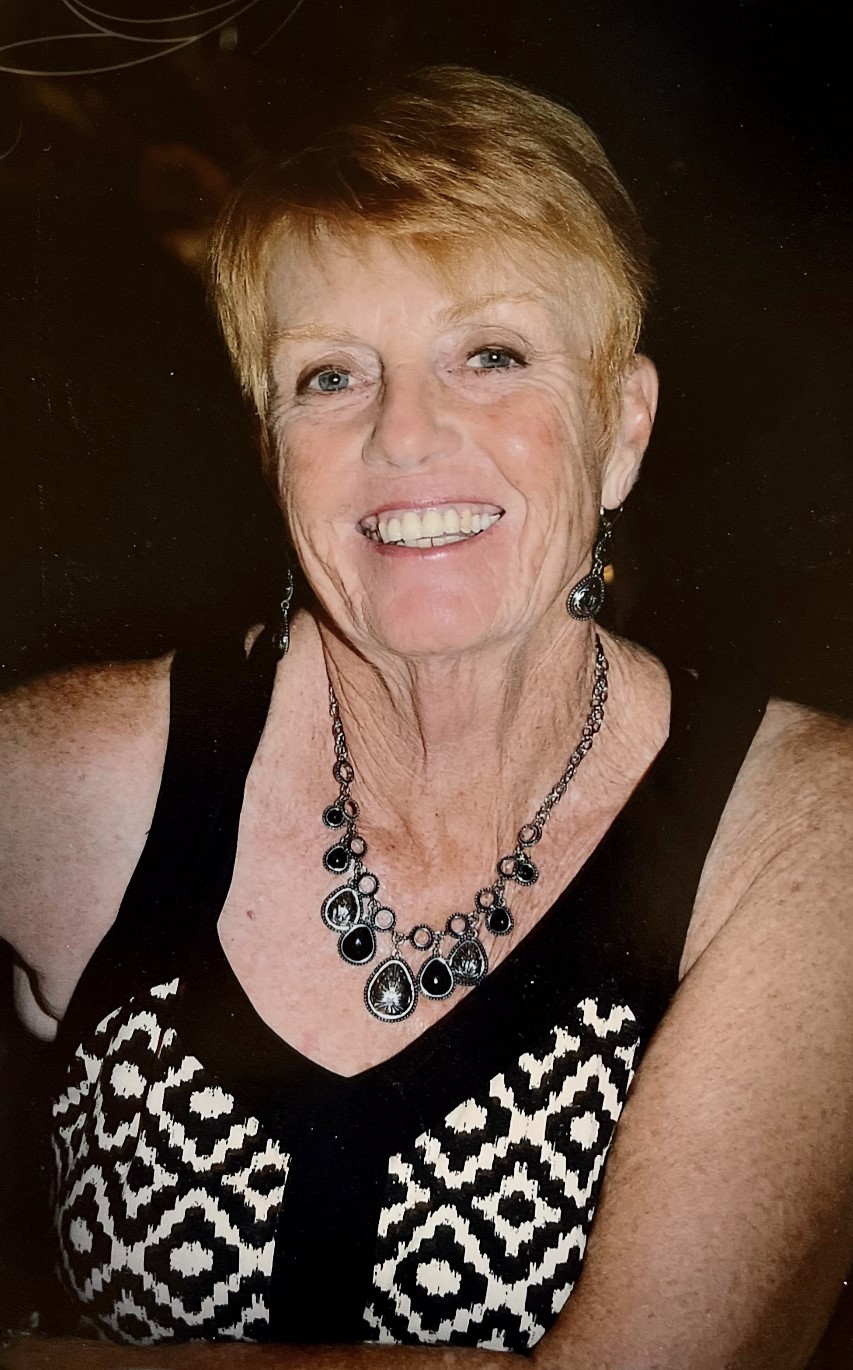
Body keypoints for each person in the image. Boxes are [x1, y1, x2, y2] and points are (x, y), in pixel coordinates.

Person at [1, 65, 851, 1370]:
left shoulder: (803, 827)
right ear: (268, 438)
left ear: (618, 428)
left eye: (491, 355)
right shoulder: (67, 776)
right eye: (328, 376)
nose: (403, 434)